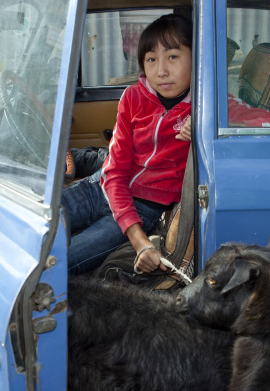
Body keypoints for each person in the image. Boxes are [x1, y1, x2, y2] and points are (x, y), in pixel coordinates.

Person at [61, 14, 193, 276]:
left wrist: (207, 123)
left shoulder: (205, 105)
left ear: (196, 57)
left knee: (58, 260)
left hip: (145, 207)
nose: (161, 71)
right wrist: (138, 240)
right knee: (32, 229)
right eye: (151, 59)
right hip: (99, 187)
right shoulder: (133, 97)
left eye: (173, 57)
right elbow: (115, 171)